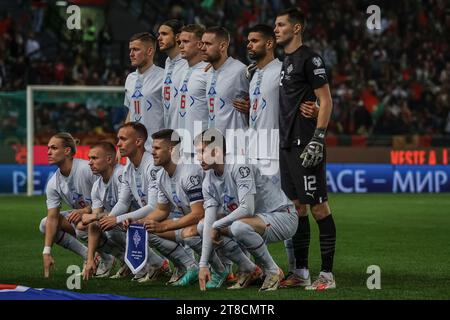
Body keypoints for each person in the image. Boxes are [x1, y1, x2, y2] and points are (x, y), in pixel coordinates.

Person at [275, 8, 337, 290]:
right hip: (286, 145)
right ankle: (301, 272)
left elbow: (326, 99)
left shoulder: (310, 59)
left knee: (319, 208)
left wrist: (318, 137)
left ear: (297, 28)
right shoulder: (285, 61)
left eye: (281, 25)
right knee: (297, 208)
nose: (276, 29)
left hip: (305, 144)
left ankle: (327, 275)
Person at [195, 129, 298, 291]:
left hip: (283, 216)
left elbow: (247, 209)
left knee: (238, 227)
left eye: (202, 151)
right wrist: (203, 264)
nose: (198, 157)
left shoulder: (239, 165)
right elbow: (209, 222)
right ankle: (249, 268)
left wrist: (217, 226)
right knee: (202, 226)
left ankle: (273, 271)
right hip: (257, 219)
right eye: (197, 152)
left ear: (217, 151)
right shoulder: (208, 180)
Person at [142, 129, 227, 287]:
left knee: (190, 233)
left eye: (157, 148)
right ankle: (190, 266)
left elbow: (198, 213)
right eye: (152, 148)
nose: (152, 152)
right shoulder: (161, 176)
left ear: (172, 150)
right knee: (147, 230)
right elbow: (162, 211)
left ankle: (220, 270)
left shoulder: (189, 172)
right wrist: (139, 222)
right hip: (202, 221)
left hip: (218, 219)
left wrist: (164, 225)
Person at [98, 122, 170, 282]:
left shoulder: (152, 165)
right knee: (111, 227)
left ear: (138, 142)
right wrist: (109, 219)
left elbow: (153, 206)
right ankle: (148, 265)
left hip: (169, 216)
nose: (118, 144)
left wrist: (116, 219)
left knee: (137, 226)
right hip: (152, 216)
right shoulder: (127, 168)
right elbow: (123, 202)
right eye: (118, 139)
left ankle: (186, 265)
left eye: (123, 139)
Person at [40, 132, 100, 278]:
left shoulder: (86, 169)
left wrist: (86, 210)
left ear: (67, 151)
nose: (48, 152)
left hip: (107, 214)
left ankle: (119, 258)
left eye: (53, 148)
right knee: (45, 224)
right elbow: (53, 218)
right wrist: (46, 251)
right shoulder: (53, 183)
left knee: (82, 225)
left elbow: (110, 197)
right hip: (87, 219)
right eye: (48, 148)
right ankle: (89, 256)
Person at [81, 142, 127, 280]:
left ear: (108, 159)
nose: (89, 162)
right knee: (85, 228)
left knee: (110, 225)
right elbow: (94, 221)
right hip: (125, 225)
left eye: (94, 158)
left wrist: (96, 216)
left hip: (144, 221)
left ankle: (156, 263)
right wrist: (90, 259)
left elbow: (127, 209)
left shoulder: (122, 175)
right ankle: (127, 261)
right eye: (89, 158)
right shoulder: (97, 185)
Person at [201, 27, 249, 138]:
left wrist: (250, 106)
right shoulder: (208, 72)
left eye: (208, 44)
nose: (203, 48)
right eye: (202, 43)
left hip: (236, 146)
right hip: (214, 144)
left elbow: (257, 100)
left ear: (222, 46)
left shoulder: (240, 70)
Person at [124, 32, 164, 151]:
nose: (131, 54)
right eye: (130, 50)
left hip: (154, 149)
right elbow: (130, 112)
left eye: (136, 49)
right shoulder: (130, 78)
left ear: (150, 51)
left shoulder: (164, 78)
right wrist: (122, 141)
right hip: (133, 150)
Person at [175, 24, 209, 153]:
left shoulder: (208, 72)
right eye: (180, 42)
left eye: (186, 41)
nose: (180, 45)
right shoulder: (184, 71)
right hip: (183, 146)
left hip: (202, 148)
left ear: (200, 44)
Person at [158, 19, 188, 130]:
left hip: (187, 132)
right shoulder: (167, 61)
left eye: (164, 34)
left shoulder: (189, 62)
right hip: (170, 131)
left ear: (177, 37)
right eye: (159, 34)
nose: (159, 38)